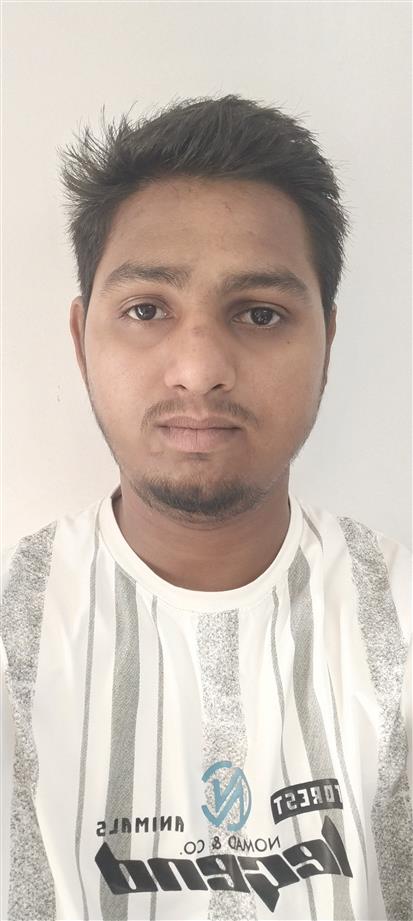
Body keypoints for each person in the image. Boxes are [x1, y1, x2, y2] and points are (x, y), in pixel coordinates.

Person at [1, 93, 411, 921]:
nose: (197, 368)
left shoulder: (398, 619)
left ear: (326, 344)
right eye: (147, 309)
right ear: (81, 340)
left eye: (259, 313)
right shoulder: (14, 631)